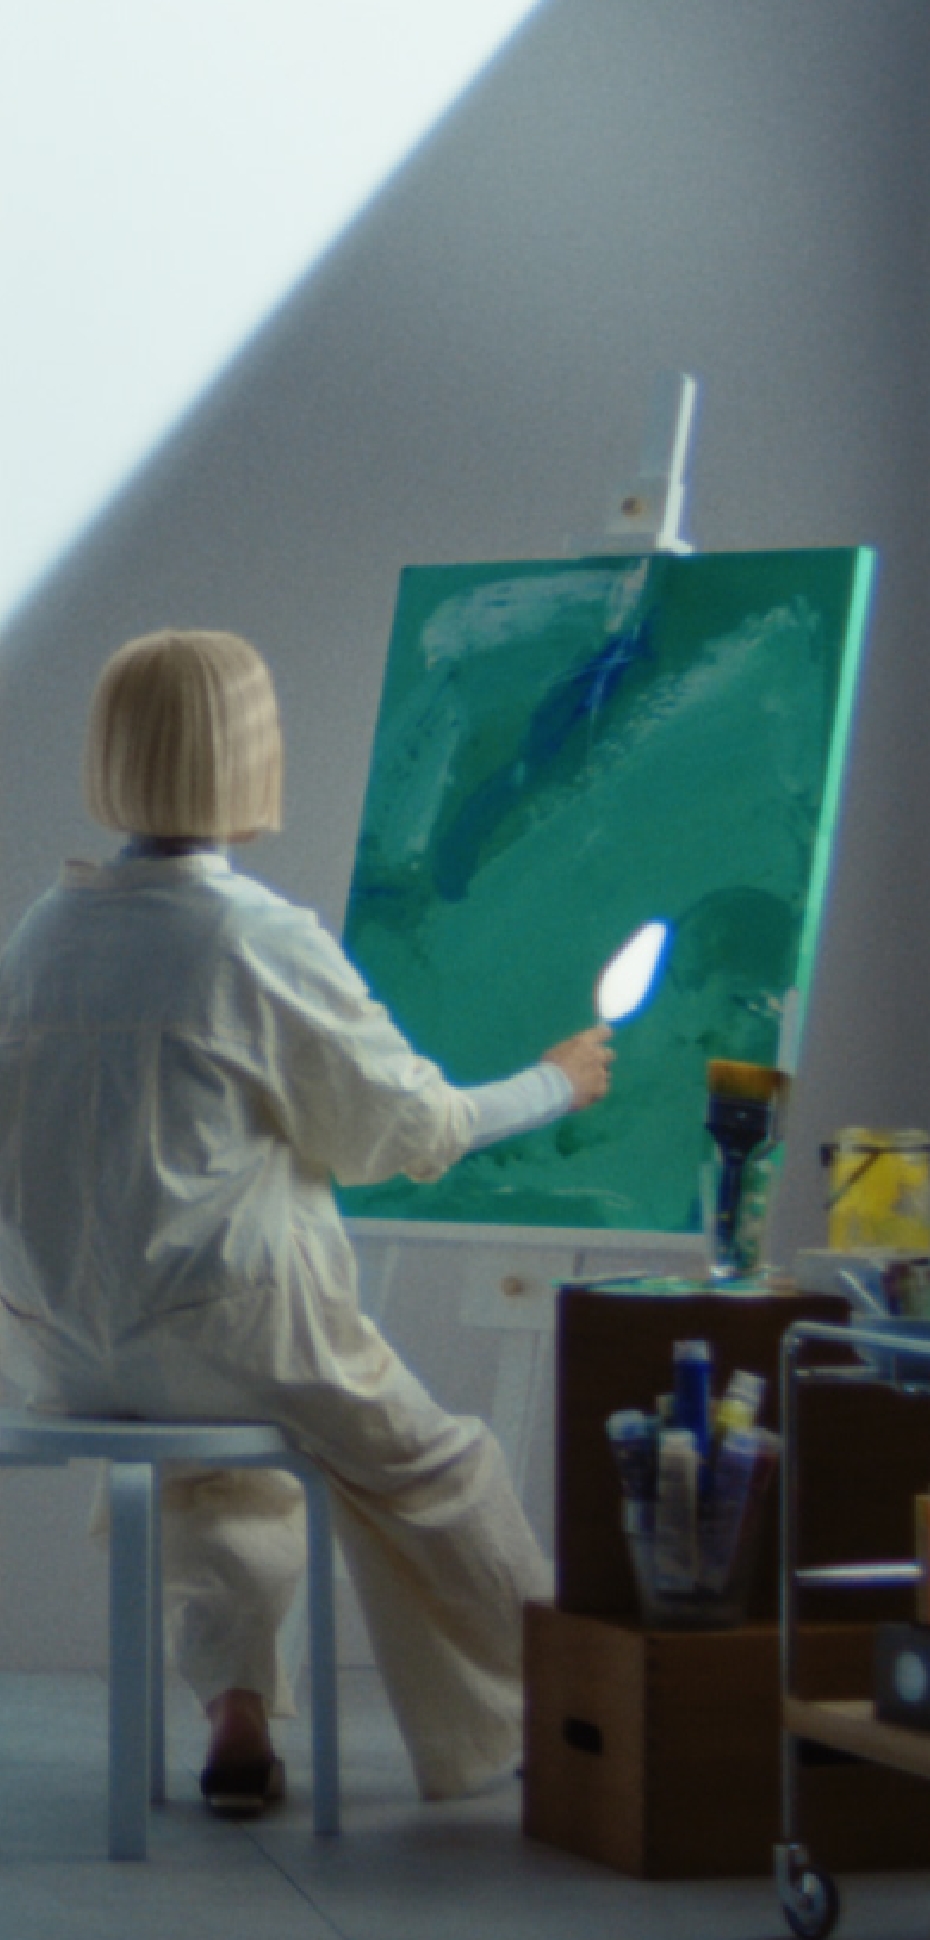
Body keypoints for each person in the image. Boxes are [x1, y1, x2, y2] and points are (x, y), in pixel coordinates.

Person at [0, 628, 613, 1816]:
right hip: (230, 1329)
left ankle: (235, 1714)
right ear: (247, 752)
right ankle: (582, 1703)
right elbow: (406, 1129)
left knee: (228, 1481)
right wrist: (554, 1082)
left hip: (64, 1348)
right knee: (441, 1466)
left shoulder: (41, 934)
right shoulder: (252, 935)